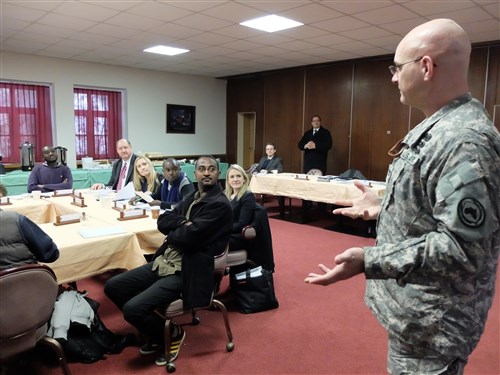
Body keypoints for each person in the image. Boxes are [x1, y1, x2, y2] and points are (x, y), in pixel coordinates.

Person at [305, 19, 500, 374]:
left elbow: (463, 248)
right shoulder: (443, 126)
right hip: (418, 315)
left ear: (425, 67)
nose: (393, 77)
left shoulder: (464, 140)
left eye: (397, 67)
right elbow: (435, 205)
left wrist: (370, 260)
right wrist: (385, 206)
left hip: (434, 325)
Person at [104, 155, 232, 367]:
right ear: (195, 173)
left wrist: (178, 230)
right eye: (202, 169)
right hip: (166, 260)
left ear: (219, 173)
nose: (207, 172)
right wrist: (184, 223)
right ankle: (155, 329)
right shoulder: (193, 196)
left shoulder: (219, 205)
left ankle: (172, 333)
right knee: (113, 286)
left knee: (132, 309)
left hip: (189, 269)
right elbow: (163, 221)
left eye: (211, 169)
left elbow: (187, 237)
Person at [224, 164, 256, 251]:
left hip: (237, 236)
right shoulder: (226, 195)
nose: (235, 179)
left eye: (238, 176)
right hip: (226, 232)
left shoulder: (248, 196)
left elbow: (242, 224)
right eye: (232, 177)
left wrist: (221, 229)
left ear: (244, 179)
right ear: (228, 181)